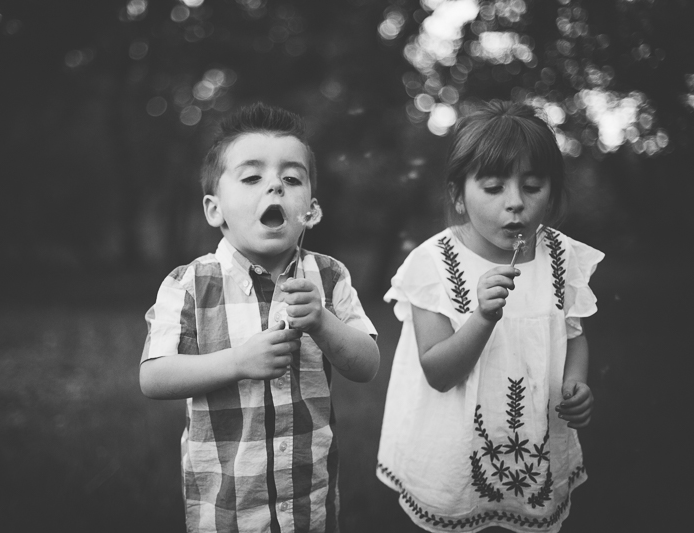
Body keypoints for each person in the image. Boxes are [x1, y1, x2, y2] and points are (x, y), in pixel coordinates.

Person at [140, 103, 380, 533]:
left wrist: (323, 323)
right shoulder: (188, 284)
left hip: (310, 504)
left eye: (292, 179)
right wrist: (238, 362)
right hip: (227, 507)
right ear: (214, 210)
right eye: (252, 177)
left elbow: (367, 366)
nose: (275, 185)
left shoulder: (329, 276)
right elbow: (154, 378)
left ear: (310, 208)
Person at [376, 100, 603, 532]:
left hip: (534, 444)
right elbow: (439, 372)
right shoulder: (433, 263)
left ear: (552, 192)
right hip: (455, 450)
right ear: (458, 197)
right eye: (494, 187)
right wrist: (481, 316)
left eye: (532, 186)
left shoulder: (560, 257)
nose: (515, 203)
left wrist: (576, 381)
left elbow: (572, 334)